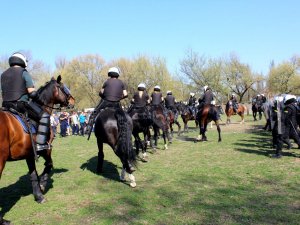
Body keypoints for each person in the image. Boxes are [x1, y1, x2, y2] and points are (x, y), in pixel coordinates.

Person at [1, 52, 51, 151]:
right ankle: (40, 144)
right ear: (22, 60)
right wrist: (39, 99)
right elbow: (31, 93)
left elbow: (3, 93)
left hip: (5, 105)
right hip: (20, 105)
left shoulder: (3, 74)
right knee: (45, 116)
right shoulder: (24, 72)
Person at [86, 67, 128, 136]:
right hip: (117, 103)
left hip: (106, 101)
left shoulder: (106, 81)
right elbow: (126, 94)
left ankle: (88, 129)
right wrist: (119, 98)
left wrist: (104, 97)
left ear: (109, 74)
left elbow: (101, 92)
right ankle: (125, 130)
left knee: (95, 112)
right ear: (117, 74)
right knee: (123, 116)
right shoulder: (121, 82)